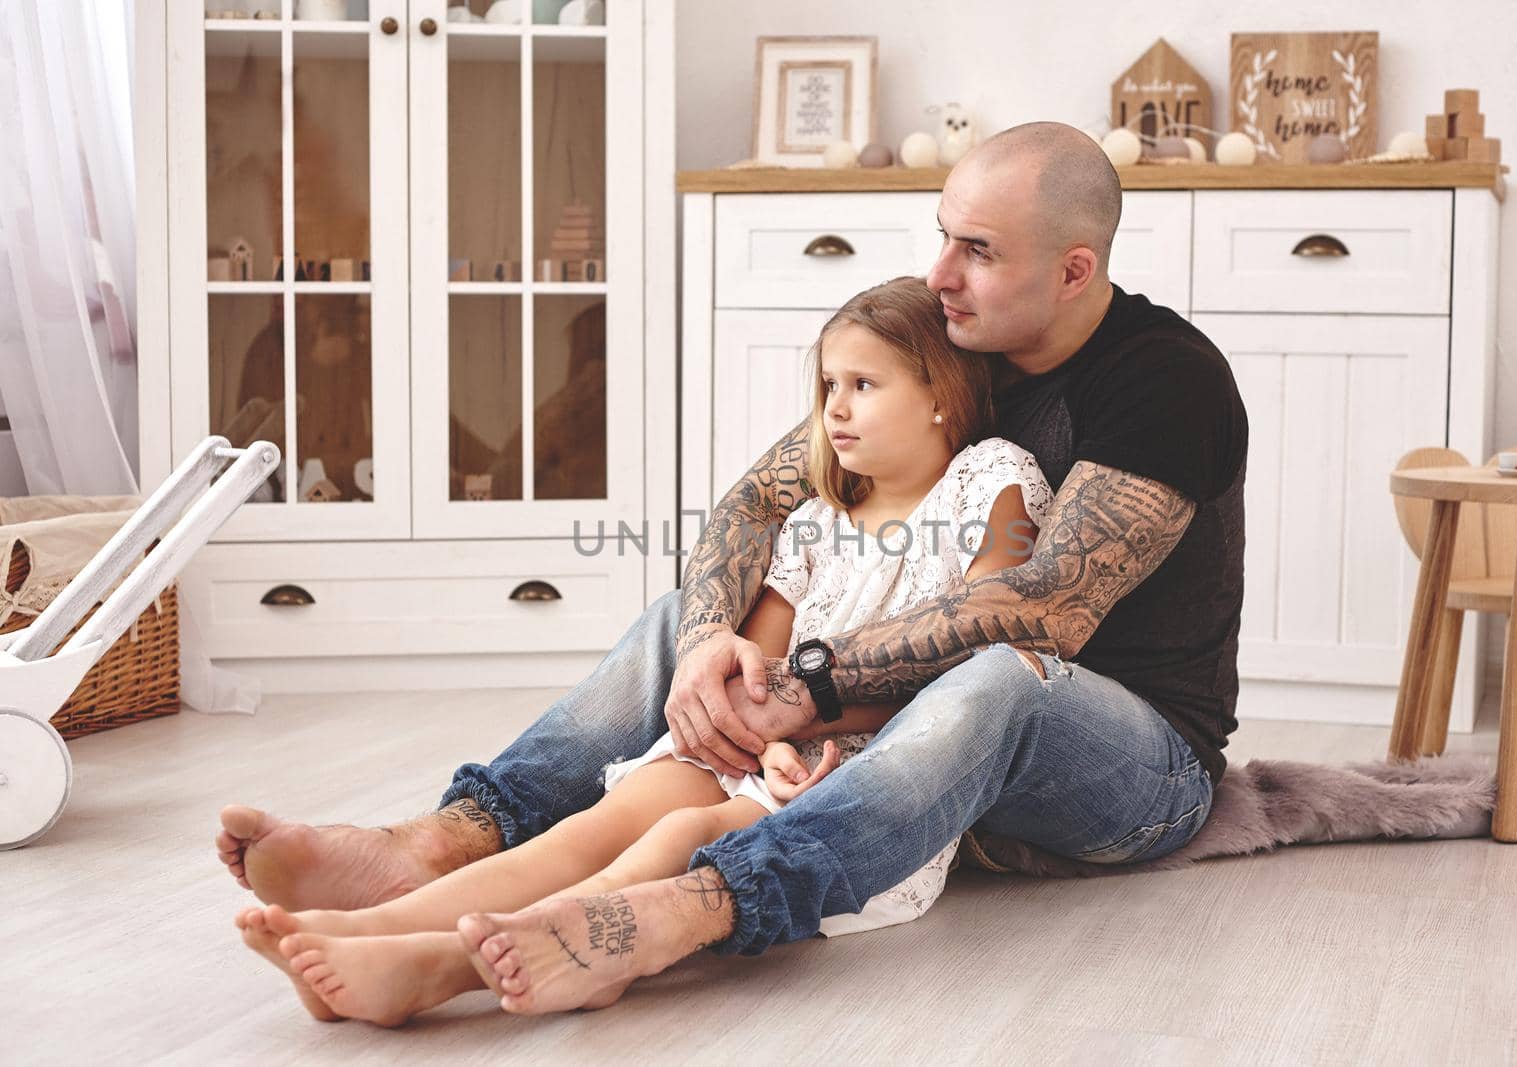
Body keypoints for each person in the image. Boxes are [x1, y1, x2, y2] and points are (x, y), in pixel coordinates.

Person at [215, 121, 1249, 1017]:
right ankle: (442, 842)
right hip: (900, 716)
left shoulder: (1163, 380)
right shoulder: (956, 343)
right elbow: (762, 500)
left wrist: (805, 690)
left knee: (1001, 675)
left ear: (1073, 269)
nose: (940, 274)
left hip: (1132, 762)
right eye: (942, 235)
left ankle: (685, 909)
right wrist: (716, 638)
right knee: (681, 614)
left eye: (976, 249)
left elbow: (1045, 608)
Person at [234, 277, 1053, 1025]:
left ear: (942, 397)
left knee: (680, 835)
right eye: (828, 386)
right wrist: (765, 737)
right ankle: (372, 924)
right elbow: (755, 663)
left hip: (871, 761)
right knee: (602, 822)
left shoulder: (991, 482)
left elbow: (972, 651)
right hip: (769, 744)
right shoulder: (814, 520)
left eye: (863, 386)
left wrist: (801, 743)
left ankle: (438, 966)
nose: (834, 409)